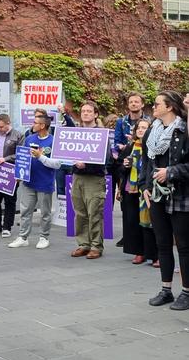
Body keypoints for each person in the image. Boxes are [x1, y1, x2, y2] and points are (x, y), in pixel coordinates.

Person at [141, 91, 189, 310]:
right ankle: (166, 290)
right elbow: (145, 162)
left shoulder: (184, 129)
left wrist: (171, 172)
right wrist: (144, 187)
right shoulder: (152, 130)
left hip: (181, 194)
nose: (153, 107)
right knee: (162, 244)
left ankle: (187, 293)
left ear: (169, 107)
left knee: (184, 246)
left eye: (157, 104)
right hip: (157, 194)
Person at [8, 115, 61, 249]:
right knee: (25, 211)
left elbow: (57, 164)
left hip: (45, 182)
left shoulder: (54, 141)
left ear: (43, 126)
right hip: (29, 181)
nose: (33, 124)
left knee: (45, 212)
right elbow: (23, 158)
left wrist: (40, 156)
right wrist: (19, 173)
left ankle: (44, 237)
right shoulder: (29, 138)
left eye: (35, 122)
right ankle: (23, 237)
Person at [70, 101, 109, 260]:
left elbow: (106, 159)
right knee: (80, 213)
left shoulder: (101, 133)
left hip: (94, 178)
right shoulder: (75, 132)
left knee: (94, 213)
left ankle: (95, 246)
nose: (85, 113)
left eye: (89, 111)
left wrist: (86, 164)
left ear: (95, 114)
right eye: (83, 111)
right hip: (77, 177)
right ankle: (83, 244)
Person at [117, 118, 158, 265]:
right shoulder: (130, 147)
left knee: (149, 223)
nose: (140, 130)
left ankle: (154, 255)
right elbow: (119, 168)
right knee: (132, 222)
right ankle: (138, 252)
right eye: (138, 128)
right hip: (130, 189)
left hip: (146, 190)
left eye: (144, 127)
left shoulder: (154, 147)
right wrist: (125, 166)